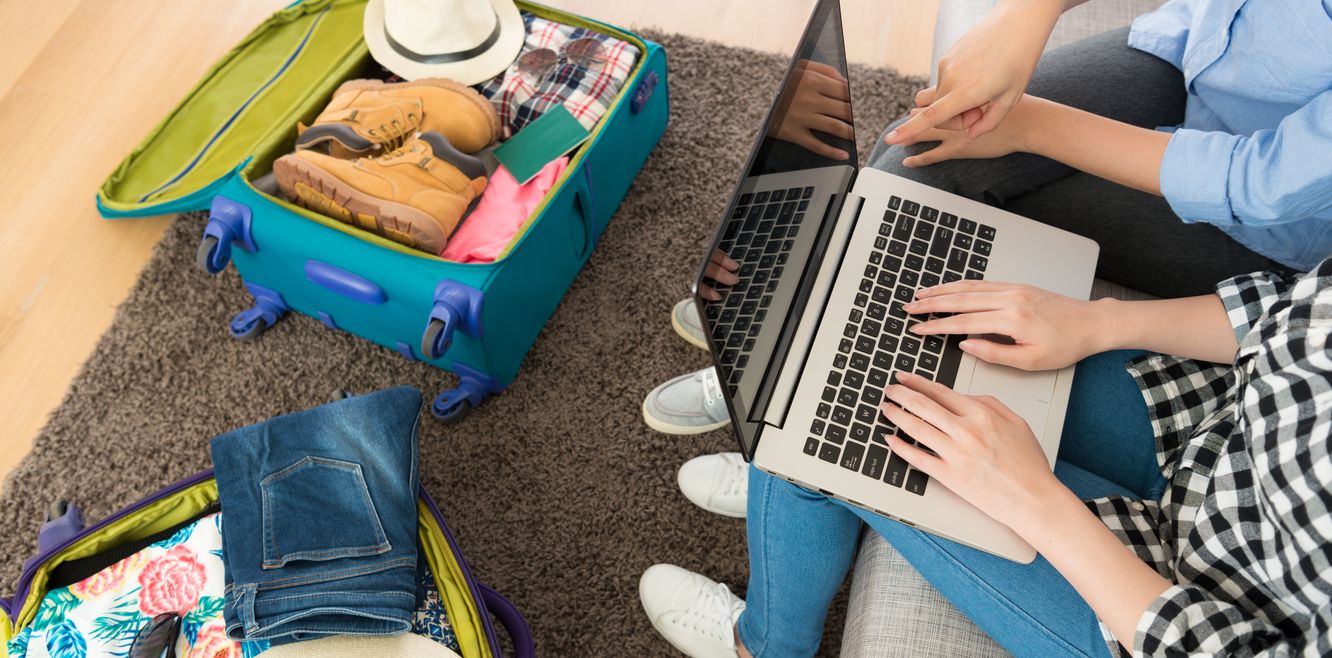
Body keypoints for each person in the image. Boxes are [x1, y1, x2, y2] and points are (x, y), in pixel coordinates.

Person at [642, 259, 1332, 658]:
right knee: (883, 330)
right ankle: (796, 498)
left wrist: (1034, 501)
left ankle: (762, 643)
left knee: (818, 436)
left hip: (1175, 609)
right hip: (1203, 424)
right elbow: (1288, 310)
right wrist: (1097, 321)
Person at [870, 0, 1332, 298]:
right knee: (914, 151)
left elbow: (1262, 183)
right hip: (1189, 49)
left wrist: (1033, 127)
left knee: (911, 184)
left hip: (1262, 221)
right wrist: (1028, 13)